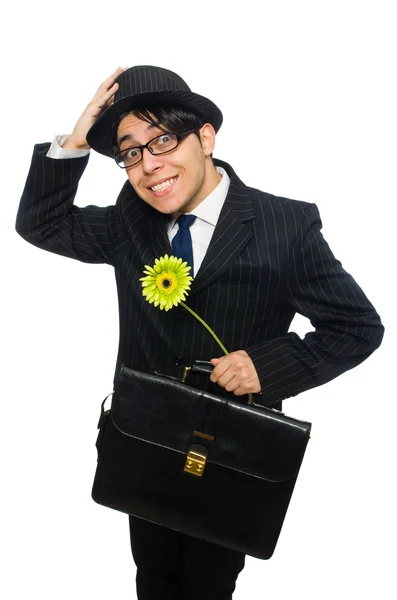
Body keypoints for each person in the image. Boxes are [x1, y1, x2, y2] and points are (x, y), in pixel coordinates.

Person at [15, 65, 384, 600]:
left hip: (232, 452)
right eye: (131, 152)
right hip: (144, 443)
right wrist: (77, 138)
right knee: (154, 578)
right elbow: (41, 224)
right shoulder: (129, 223)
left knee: (209, 584)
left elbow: (357, 326)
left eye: (162, 139)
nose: (149, 165)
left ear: (205, 137)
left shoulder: (284, 226)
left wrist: (268, 364)